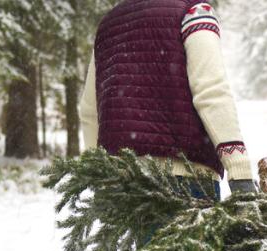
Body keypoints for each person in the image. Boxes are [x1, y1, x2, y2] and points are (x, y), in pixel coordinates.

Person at [79, 0, 256, 198]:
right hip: (185, 178)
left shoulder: (109, 24)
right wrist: (239, 168)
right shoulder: (194, 11)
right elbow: (211, 91)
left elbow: (89, 110)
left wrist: (97, 171)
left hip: (122, 182)